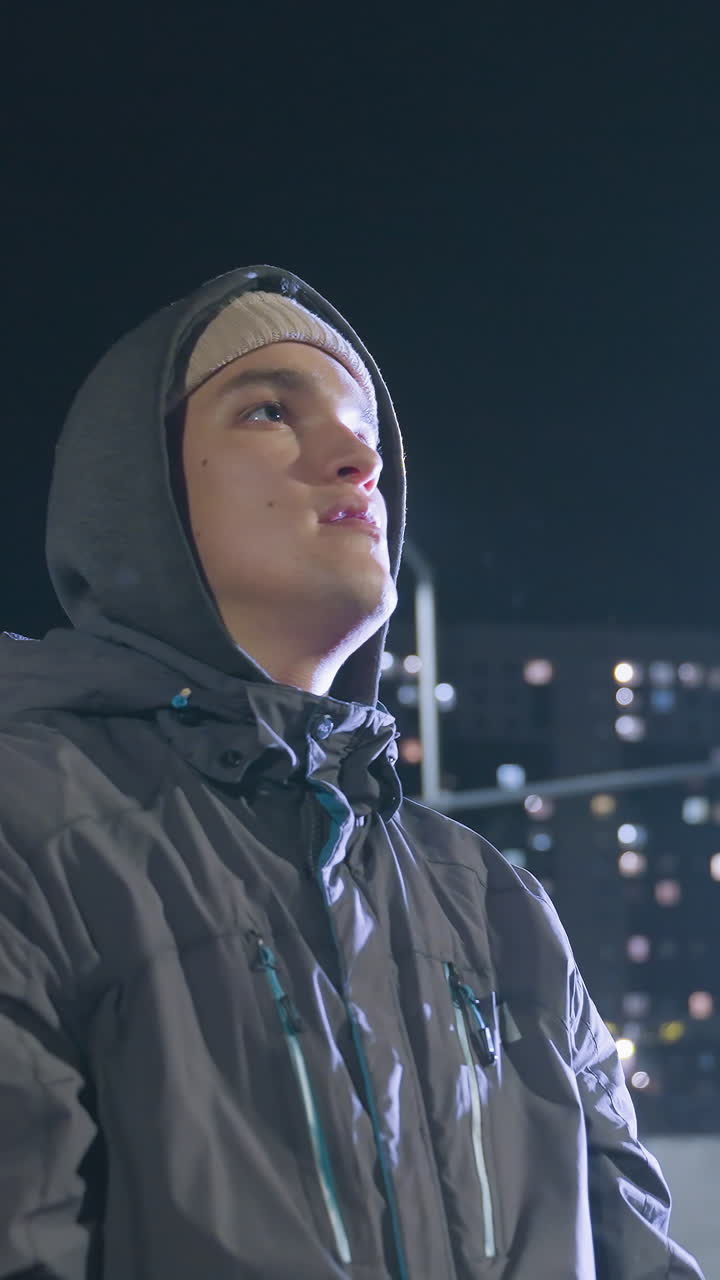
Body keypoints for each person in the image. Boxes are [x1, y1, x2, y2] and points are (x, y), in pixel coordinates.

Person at [0, 264, 704, 1280]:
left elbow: (633, 1248)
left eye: (362, 422)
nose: (354, 454)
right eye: (270, 409)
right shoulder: (37, 830)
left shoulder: (493, 901)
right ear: (137, 490)